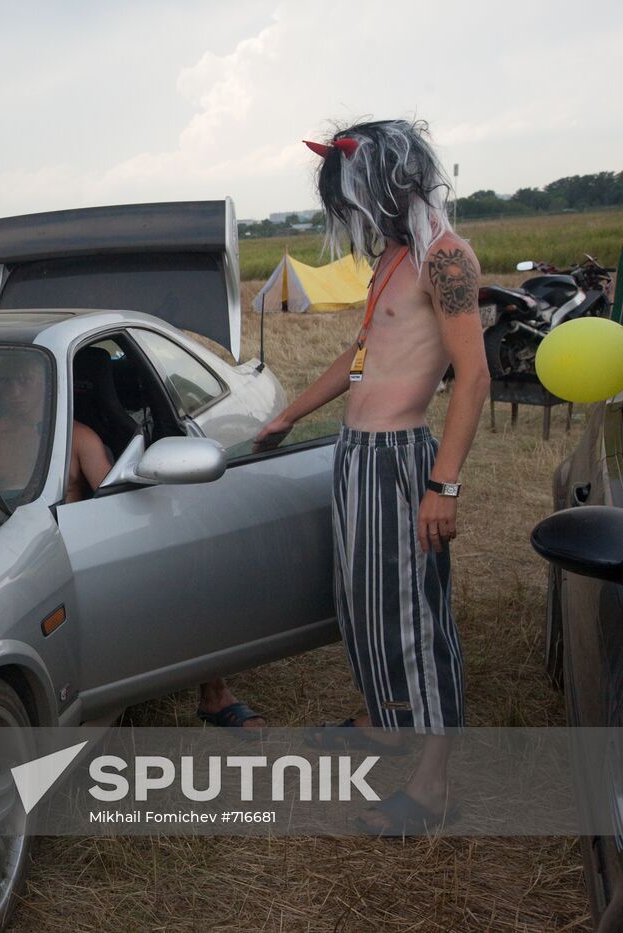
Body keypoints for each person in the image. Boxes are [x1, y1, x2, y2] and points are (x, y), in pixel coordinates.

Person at [256, 119, 490, 831]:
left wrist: (442, 483)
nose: (348, 215)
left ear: (386, 184)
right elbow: (362, 357)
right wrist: (290, 413)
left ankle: (433, 787)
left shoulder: (445, 258)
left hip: (399, 462)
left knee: (413, 619)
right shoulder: (393, 258)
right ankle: (387, 723)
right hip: (356, 456)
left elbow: (473, 375)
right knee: (360, 604)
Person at [0, 353, 267, 731]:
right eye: (6, 382)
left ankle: (216, 695)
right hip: (4, 559)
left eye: (24, 380)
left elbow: (116, 501)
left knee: (190, 580)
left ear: (47, 384)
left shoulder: (77, 437)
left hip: (73, 554)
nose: (15, 391)